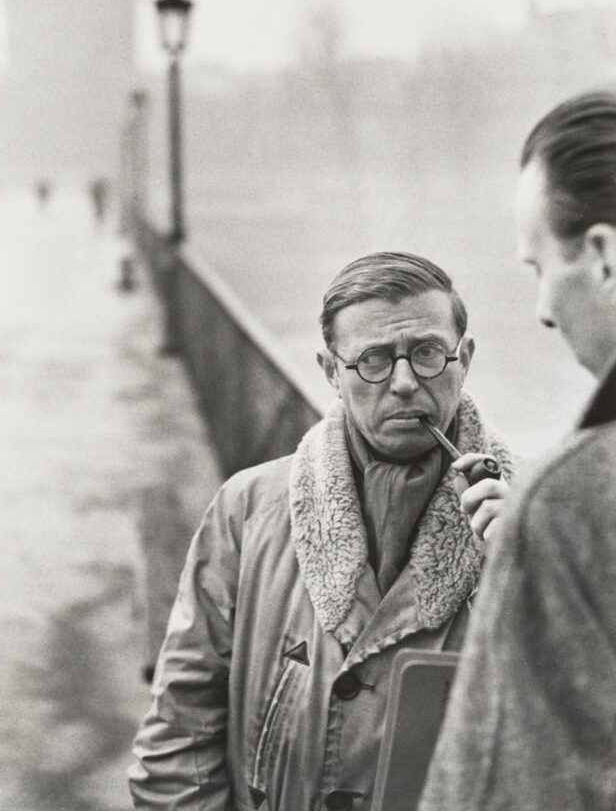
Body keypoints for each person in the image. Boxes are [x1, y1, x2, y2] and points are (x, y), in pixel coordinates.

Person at [129, 251, 512, 810]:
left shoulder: (537, 520)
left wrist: (536, 570)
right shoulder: (247, 509)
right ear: (331, 371)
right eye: (373, 360)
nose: (405, 382)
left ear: (466, 358)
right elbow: (179, 734)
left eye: (428, 353)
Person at [417, 90, 616, 811]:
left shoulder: (574, 496)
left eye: (539, 269)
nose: (542, 312)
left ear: (603, 256)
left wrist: (544, 535)